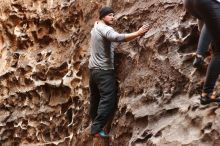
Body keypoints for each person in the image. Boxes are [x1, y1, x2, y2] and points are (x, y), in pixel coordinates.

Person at [88, 6, 149, 138]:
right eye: (110, 15)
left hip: (93, 71)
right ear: (103, 16)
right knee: (108, 99)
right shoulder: (105, 29)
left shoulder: (96, 27)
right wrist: (138, 33)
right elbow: (117, 37)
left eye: (113, 15)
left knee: (95, 98)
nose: (113, 17)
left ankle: (94, 123)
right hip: (104, 71)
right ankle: (97, 129)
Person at [183, 0, 220, 104]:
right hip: (209, 3)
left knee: (211, 19)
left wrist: (202, 49)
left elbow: (208, 21)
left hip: (190, 3)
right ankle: (207, 94)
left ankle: (199, 56)